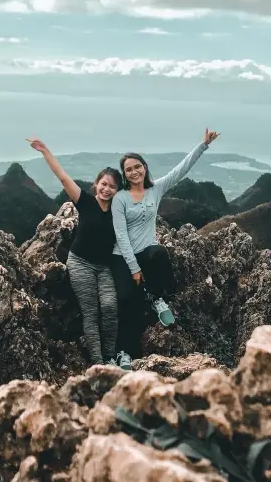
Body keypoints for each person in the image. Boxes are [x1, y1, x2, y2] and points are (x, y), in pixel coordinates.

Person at [111, 128, 220, 365]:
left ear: (144, 167)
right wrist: (133, 269)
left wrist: (203, 145)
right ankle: (124, 353)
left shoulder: (155, 189)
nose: (134, 172)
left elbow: (180, 170)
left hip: (147, 252)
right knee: (126, 301)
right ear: (124, 174)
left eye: (137, 166)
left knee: (161, 254)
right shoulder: (120, 199)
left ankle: (156, 298)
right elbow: (121, 236)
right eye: (128, 169)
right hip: (122, 257)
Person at [27, 136, 125, 367]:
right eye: (104, 184)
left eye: (112, 186)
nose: (107, 189)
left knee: (110, 307)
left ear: (118, 190)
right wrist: (45, 151)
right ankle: (99, 364)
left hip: (104, 267)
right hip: (80, 262)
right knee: (90, 313)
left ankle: (111, 356)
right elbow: (62, 177)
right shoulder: (86, 202)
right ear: (96, 184)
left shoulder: (119, 211)